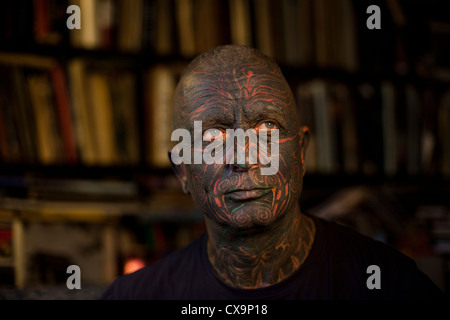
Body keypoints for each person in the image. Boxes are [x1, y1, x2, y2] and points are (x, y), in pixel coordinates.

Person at [101, 45, 444, 299]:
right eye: (213, 136)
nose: (244, 158)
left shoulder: (393, 285)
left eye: (267, 128)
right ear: (182, 170)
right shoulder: (134, 297)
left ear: (301, 152)